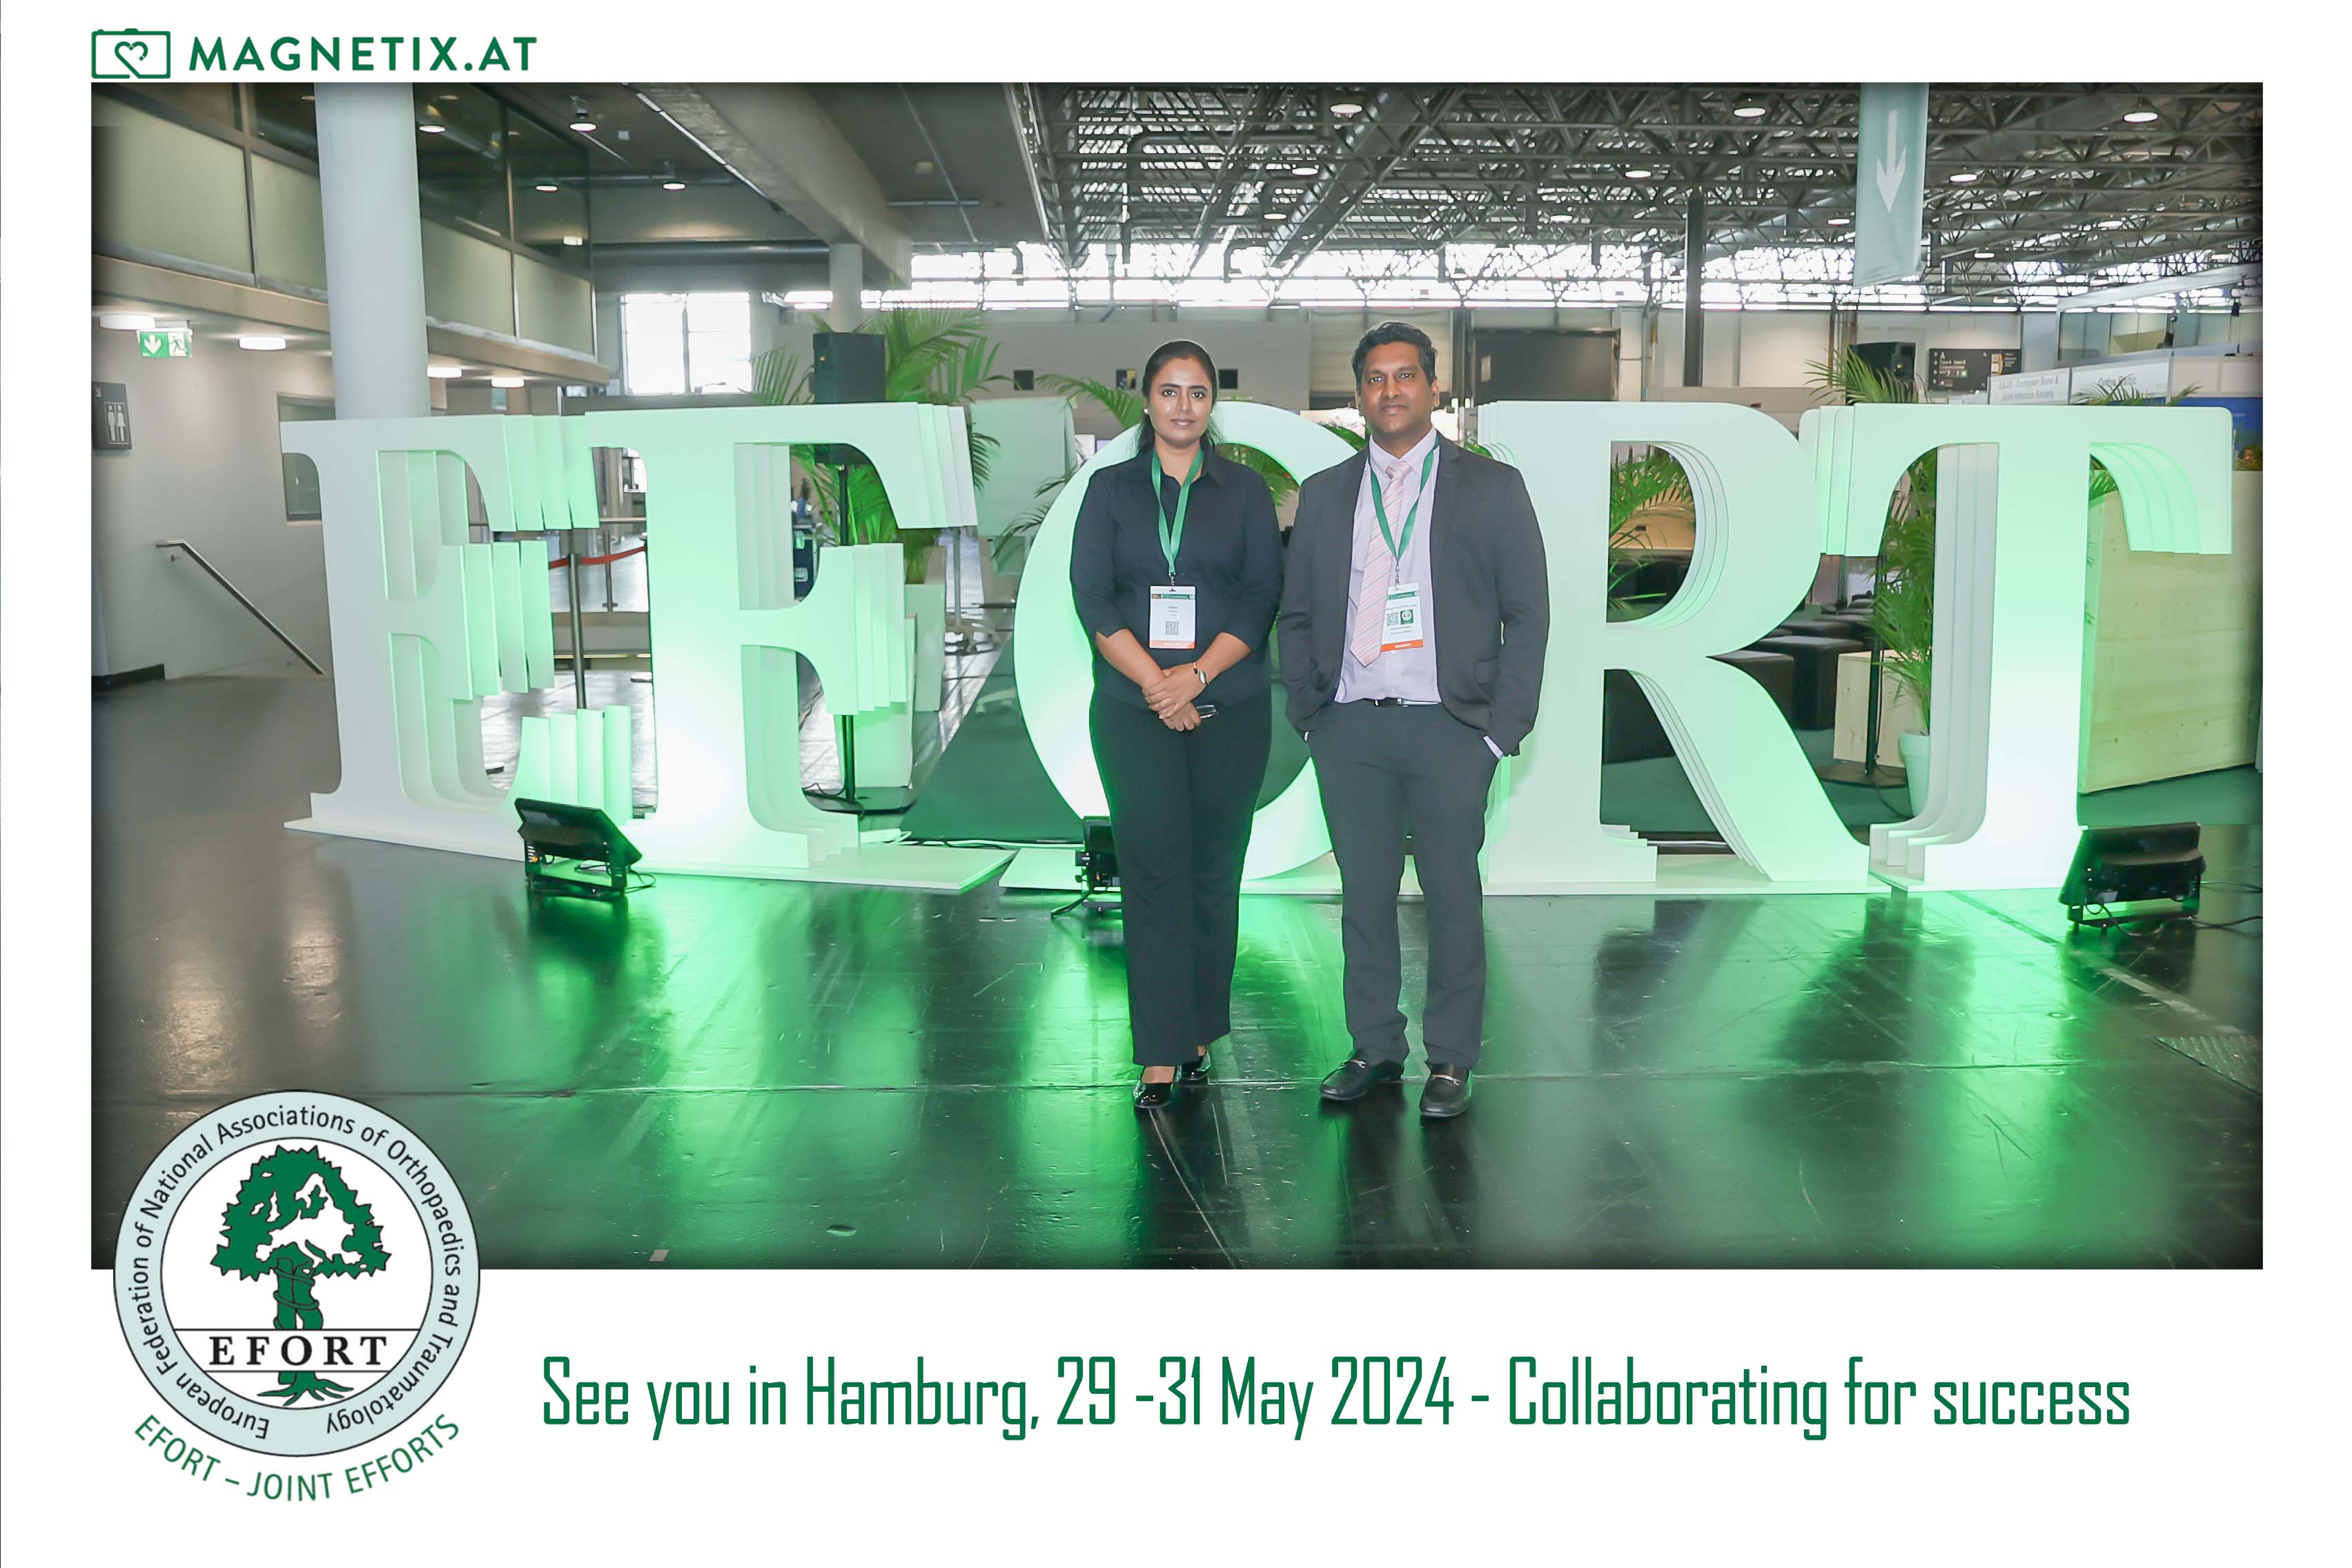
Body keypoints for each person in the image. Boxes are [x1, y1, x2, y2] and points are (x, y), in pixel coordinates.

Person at [1276, 322, 1549, 1119]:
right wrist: (1311, 715)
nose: (1390, 390)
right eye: (1375, 378)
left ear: (1433, 388)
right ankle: (1375, 1046)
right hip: (1350, 727)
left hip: (1451, 730)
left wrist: (1498, 732)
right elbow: (1297, 613)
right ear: (1358, 395)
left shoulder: (1493, 487)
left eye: (1405, 376)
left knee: (1452, 897)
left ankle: (1452, 1059)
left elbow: (1528, 614)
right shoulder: (1326, 493)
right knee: (1363, 898)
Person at [1070, 340, 1282, 1111]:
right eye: (1169, 391)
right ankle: (1160, 1050)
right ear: (1147, 401)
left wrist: (1195, 676)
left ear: (1212, 402)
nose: (1183, 406)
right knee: (1154, 873)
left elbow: (1261, 598)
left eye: (1197, 392)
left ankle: (1199, 1032)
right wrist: (1159, 685)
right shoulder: (1110, 489)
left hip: (1230, 705)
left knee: (1214, 874)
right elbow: (1093, 597)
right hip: (1135, 711)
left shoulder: (1246, 490)